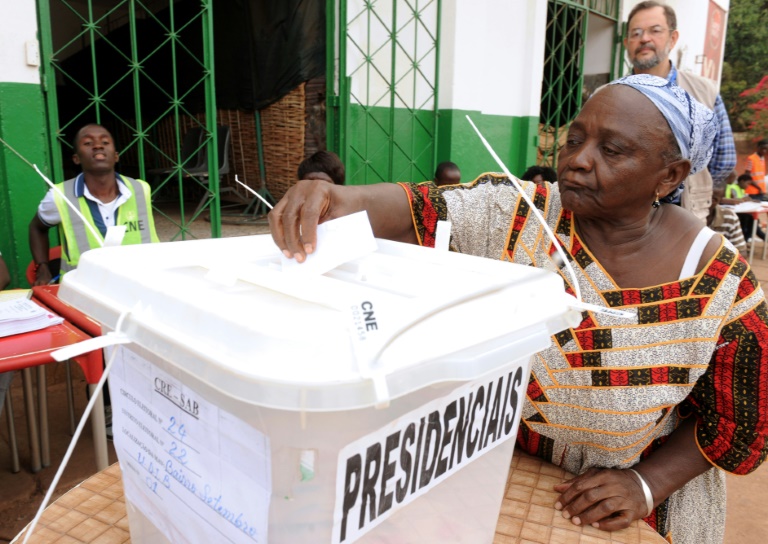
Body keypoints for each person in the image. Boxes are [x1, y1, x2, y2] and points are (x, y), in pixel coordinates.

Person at [269, 75, 768, 544]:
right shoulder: (520, 213)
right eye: (574, 141)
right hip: (505, 469)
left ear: (670, 175)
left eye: (611, 150)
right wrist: (335, 196)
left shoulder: (719, 283)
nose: (577, 160)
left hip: (636, 508)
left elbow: (743, 419)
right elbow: (423, 209)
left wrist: (645, 483)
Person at [623, 1, 736, 223]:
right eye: (636, 33)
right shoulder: (608, 95)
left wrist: (689, 185)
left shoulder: (704, 92)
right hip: (625, 220)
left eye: (655, 31)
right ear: (627, 43)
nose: (645, 38)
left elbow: (724, 160)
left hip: (686, 218)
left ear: (673, 38)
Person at [28, 123, 159, 285]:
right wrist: (43, 268)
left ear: (116, 156)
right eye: (88, 143)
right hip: (84, 291)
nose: (98, 146)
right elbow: (36, 228)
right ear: (76, 158)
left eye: (105, 142)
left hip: (142, 286)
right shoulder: (60, 196)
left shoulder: (141, 190)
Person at [707, 186, 747, 256]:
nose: (709, 201)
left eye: (713, 199)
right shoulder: (686, 215)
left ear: (720, 200)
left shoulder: (729, 217)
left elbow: (741, 252)